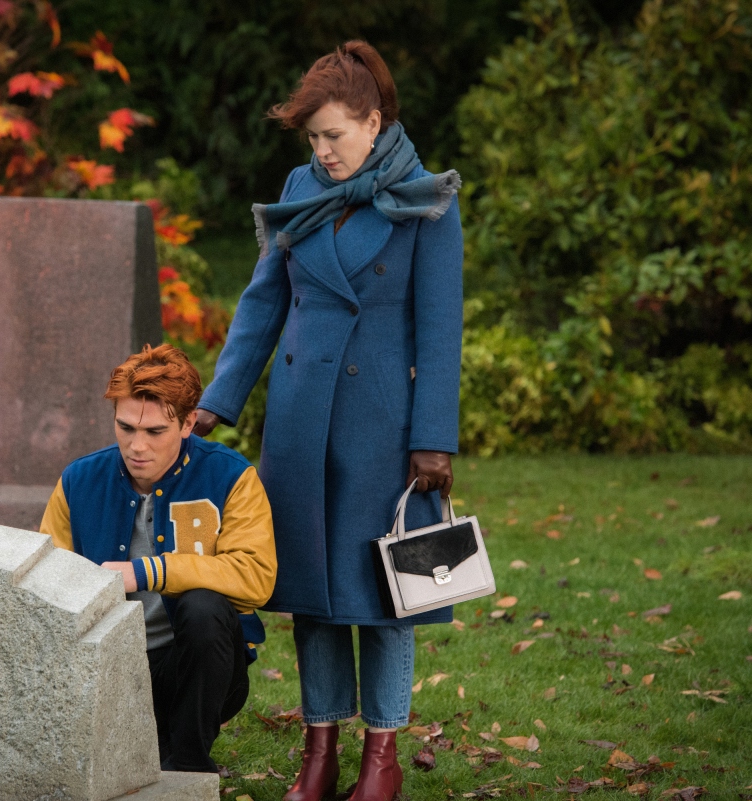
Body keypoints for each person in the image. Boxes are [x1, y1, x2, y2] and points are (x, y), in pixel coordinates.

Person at [193, 41, 463, 801]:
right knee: (310, 592)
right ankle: (320, 751)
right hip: (300, 425)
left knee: (382, 596)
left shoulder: (426, 199)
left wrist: (432, 438)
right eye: (312, 138)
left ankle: (383, 758)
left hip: (383, 428)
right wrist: (218, 400)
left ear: (373, 123)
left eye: (333, 135)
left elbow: (442, 330)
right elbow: (262, 304)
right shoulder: (299, 188)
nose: (321, 151)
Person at [40, 344, 277, 774]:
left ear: (188, 423)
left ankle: (188, 766)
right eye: (125, 427)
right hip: (104, 668)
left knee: (204, 606)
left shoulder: (231, 476)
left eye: (154, 432)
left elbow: (255, 577)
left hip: (199, 669)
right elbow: (45, 586)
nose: (136, 446)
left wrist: (147, 572)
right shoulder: (78, 481)